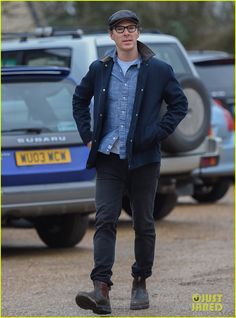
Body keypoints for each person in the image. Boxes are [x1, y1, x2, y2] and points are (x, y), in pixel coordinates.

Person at [72, 9, 188, 315]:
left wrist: (157, 133)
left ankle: (140, 281)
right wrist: (88, 136)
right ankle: (101, 289)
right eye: (120, 29)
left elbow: (180, 104)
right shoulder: (100, 68)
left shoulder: (158, 69)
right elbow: (79, 100)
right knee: (105, 219)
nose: (126, 33)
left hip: (144, 159)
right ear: (111, 35)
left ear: (138, 33)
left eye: (131, 28)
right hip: (109, 157)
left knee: (143, 223)